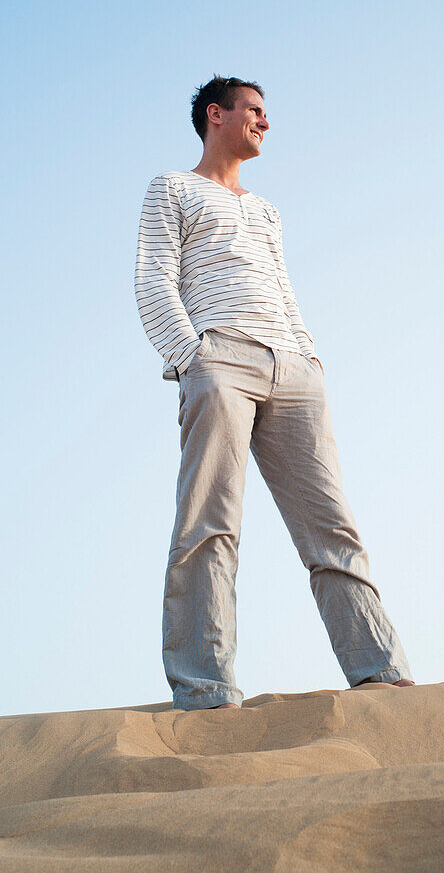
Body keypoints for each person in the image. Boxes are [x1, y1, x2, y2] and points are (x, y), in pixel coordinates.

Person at [134, 75, 414, 710]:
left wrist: (309, 357)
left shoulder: (266, 210)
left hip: (295, 370)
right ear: (216, 115)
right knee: (209, 525)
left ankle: (379, 670)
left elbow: (284, 290)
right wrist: (192, 357)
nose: (265, 122)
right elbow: (152, 277)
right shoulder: (172, 189)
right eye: (254, 111)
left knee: (331, 525)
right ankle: (207, 688)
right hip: (220, 357)